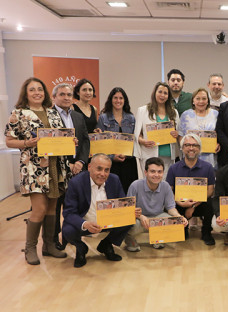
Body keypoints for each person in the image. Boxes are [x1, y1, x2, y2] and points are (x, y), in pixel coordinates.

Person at [4, 77, 71, 265]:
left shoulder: (53, 112)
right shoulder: (18, 113)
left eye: (40, 89)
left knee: (52, 208)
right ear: (26, 93)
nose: (37, 93)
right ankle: (30, 248)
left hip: (56, 166)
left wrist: (69, 141)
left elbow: (60, 136)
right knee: (39, 209)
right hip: (34, 168)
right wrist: (27, 143)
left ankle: (48, 246)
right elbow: (9, 140)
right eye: (32, 90)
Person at [62, 154, 136, 267]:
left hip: (108, 221)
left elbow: (122, 204)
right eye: (99, 169)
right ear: (89, 167)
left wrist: (130, 211)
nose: (103, 174)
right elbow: (68, 212)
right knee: (68, 230)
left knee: (130, 219)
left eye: (107, 170)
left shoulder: (114, 180)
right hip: (86, 223)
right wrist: (85, 224)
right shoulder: (76, 183)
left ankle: (106, 244)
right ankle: (81, 248)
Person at [52, 83, 90, 250]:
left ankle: (69, 236)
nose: (66, 97)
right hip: (57, 168)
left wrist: (81, 162)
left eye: (68, 94)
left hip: (77, 169)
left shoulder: (77, 116)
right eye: (62, 94)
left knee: (73, 204)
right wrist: (68, 163)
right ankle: (54, 240)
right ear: (54, 97)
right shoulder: (49, 116)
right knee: (56, 206)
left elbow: (85, 140)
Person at [125, 157, 188, 252]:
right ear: (145, 172)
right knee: (128, 224)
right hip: (139, 219)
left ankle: (157, 238)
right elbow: (129, 210)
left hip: (157, 217)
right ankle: (130, 239)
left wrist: (179, 217)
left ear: (163, 173)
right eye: (152, 171)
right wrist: (141, 217)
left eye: (159, 172)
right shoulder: (135, 185)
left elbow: (171, 208)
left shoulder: (166, 186)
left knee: (174, 221)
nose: (156, 175)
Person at [166, 134, 216, 245]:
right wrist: (182, 204)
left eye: (195, 145)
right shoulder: (173, 168)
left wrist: (193, 206)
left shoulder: (208, 167)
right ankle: (182, 228)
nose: (191, 148)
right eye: (187, 145)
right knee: (169, 205)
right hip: (180, 204)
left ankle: (206, 231)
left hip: (200, 204)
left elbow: (210, 191)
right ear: (182, 148)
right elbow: (169, 192)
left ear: (199, 148)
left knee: (211, 203)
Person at [134, 82, 180, 178]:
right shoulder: (143, 110)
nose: (162, 95)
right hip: (149, 154)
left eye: (165, 93)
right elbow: (137, 134)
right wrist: (143, 141)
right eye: (160, 92)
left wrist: (176, 134)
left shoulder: (173, 112)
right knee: (150, 184)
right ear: (154, 93)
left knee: (165, 185)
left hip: (168, 156)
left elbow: (178, 132)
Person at [97, 87, 138, 193]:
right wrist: (112, 157)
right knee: (111, 191)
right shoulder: (103, 118)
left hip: (128, 161)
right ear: (111, 100)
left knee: (128, 191)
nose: (118, 101)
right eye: (115, 98)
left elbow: (134, 140)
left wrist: (126, 155)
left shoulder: (131, 118)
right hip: (110, 162)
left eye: (121, 98)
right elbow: (101, 143)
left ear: (125, 101)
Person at [178, 88, 219, 167]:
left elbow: (220, 133)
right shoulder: (185, 115)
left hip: (210, 157)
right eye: (198, 98)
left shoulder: (215, 114)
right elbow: (180, 136)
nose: (201, 101)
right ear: (193, 101)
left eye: (204, 98)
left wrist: (218, 144)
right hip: (190, 157)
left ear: (208, 101)